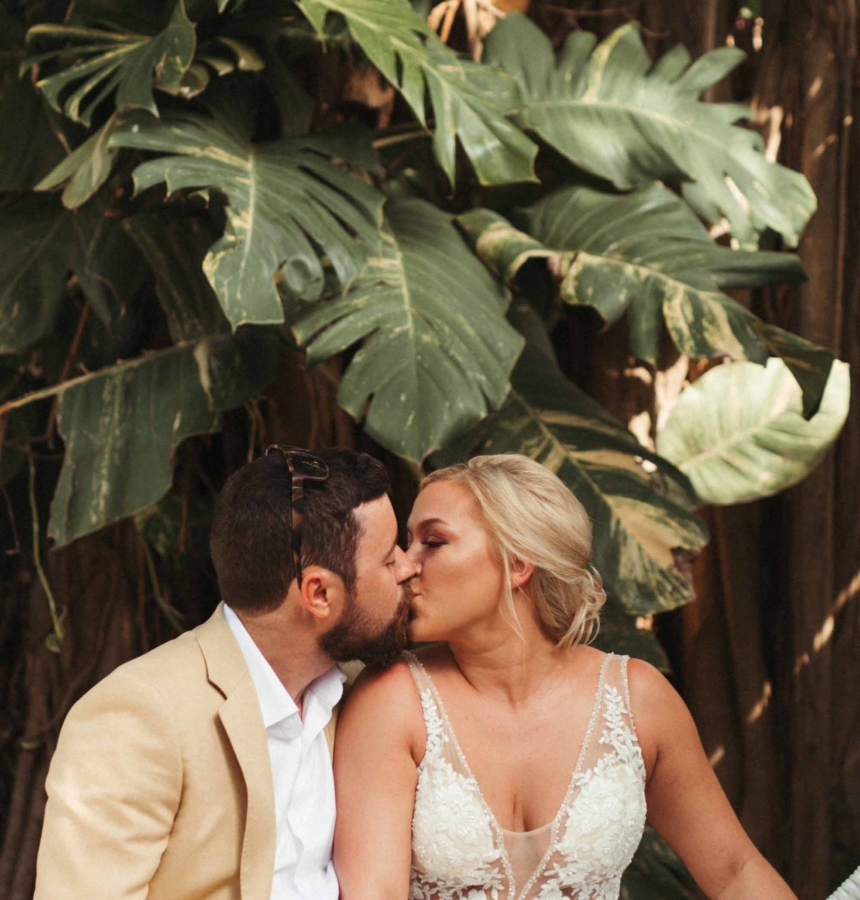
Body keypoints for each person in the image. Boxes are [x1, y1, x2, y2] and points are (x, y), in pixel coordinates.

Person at [333, 453, 799, 900]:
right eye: (408, 542)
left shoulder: (637, 700)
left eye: (433, 542)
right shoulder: (391, 700)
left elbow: (735, 873)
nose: (406, 565)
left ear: (518, 563)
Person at [34, 446, 417, 900]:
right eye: (388, 559)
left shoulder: (361, 699)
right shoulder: (140, 717)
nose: (409, 566)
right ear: (318, 594)